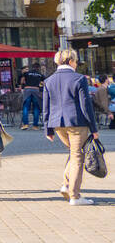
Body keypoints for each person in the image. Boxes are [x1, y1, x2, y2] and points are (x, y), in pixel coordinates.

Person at [43, 48, 100, 205]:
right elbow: (85, 105)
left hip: (57, 124)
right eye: (75, 61)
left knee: (73, 153)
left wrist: (47, 129)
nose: (76, 64)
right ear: (70, 61)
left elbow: (45, 106)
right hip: (77, 123)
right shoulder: (79, 78)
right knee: (77, 157)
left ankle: (66, 185)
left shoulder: (49, 80)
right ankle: (74, 195)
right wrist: (94, 129)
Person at [18, 63, 45, 129]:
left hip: (27, 90)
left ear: (32, 67)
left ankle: (25, 125)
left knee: (26, 107)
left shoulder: (27, 73)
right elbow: (44, 83)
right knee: (36, 107)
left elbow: (22, 81)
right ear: (38, 68)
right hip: (36, 90)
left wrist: (23, 84)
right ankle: (35, 126)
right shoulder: (40, 74)